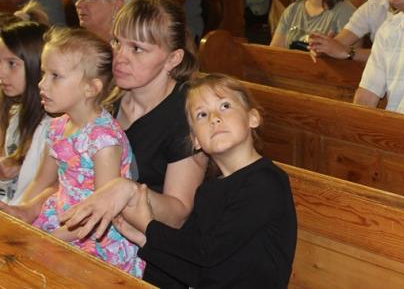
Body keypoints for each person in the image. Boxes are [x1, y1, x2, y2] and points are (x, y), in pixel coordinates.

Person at [54, 0, 207, 288]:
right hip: (91, 238)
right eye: (117, 42)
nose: (120, 57)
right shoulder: (107, 98)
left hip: (151, 254)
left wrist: (128, 192)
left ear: (173, 59)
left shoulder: (187, 114)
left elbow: (178, 214)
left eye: (137, 48)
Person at [114, 73, 297, 288]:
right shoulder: (208, 191)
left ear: (252, 118)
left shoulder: (266, 182)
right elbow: (195, 270)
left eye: (225, 106)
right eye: (201, 114)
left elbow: (207, 251)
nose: (214, 118)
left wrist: (149, 227)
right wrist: (143, 240)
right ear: (196, 141)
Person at [3, 27, 144, 276]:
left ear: (91, 88)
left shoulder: (103, 140)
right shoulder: (57, 127)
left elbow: (102, 211)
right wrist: (23, 210)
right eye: (44, 73)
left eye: (55, 76)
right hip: (62, 217)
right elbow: (45, 183)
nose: (42, 84)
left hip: (94, 234)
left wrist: (48, 238)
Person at [0, 21, 51, 204]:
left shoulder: (51, 127)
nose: (1, 73)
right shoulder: (15, 113)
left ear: (36, 65)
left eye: (12, 63)